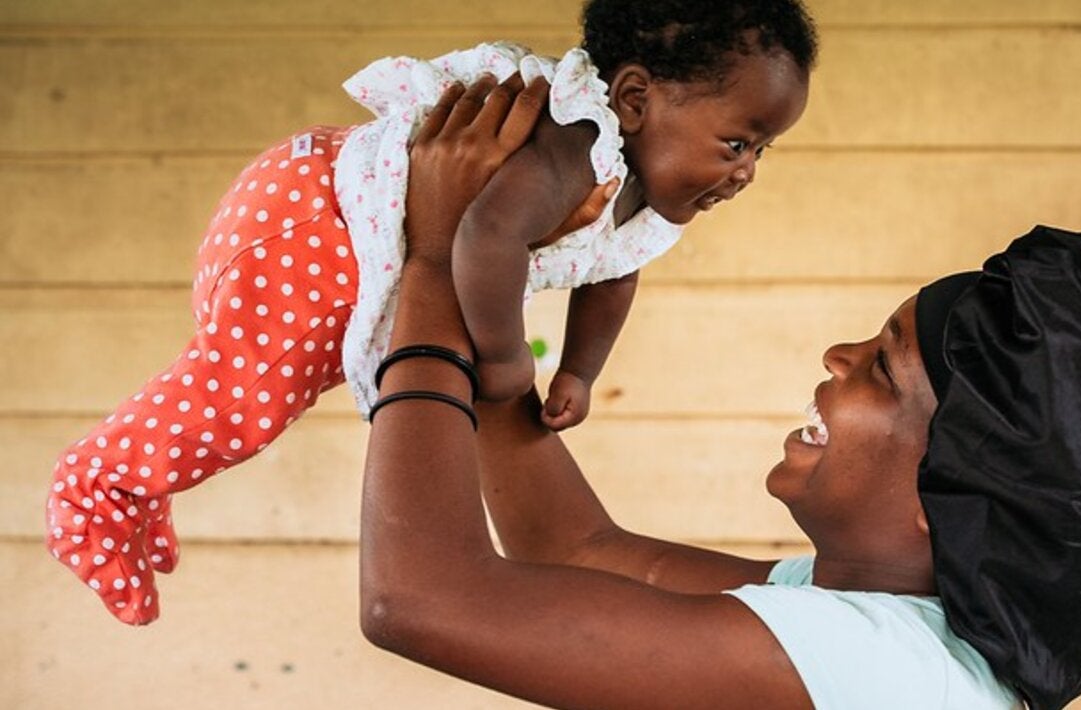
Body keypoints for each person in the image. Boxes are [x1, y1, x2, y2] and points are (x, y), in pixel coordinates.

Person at [361, 80, 1081, 709]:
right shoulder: (874, 617)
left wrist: (435, 258)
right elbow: (574, 550)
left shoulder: (881, 670)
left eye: (883, 369)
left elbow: (419, 600)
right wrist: (492, 289)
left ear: (955, 493)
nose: (838, 355)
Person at [45, 0, 818, 625]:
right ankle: (94, 485)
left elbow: (616, 272)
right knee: (247, 396)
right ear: (636, 100)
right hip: (320, 220)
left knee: (245, 395)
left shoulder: (650, 194)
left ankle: (141, 487)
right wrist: (511, 358)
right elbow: (484, 235)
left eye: (763, 150)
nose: (746, 171)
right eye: (736, 142)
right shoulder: (575, 145)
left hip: (352, 251)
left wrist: (583, 368)